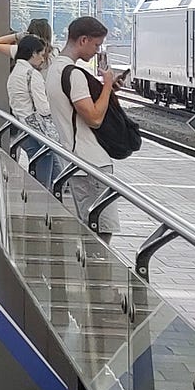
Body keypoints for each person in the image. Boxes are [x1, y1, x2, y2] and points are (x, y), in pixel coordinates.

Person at [46, 15, 126, 232]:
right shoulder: (74, 74)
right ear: (83, 40)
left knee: (89, 226)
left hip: (75, 159)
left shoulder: (55, 69)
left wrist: (108, 91)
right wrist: (107, 85)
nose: (97, 51)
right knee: (101, 229)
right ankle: (96, 266)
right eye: (96, 44)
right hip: (91, 163)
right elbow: (94, 118)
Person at [7, 33, 56, 186]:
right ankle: (43, 197)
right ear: (33, 53)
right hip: (36, 129)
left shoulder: (14, 73)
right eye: (41, 54)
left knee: (50, 164)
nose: (43, 59)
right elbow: (43, 109)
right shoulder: (32, 74)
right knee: (46, 161)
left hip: (21, 126)